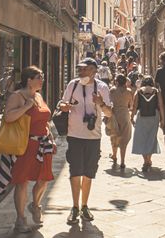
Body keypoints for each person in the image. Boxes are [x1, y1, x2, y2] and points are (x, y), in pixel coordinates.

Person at [59, 58, 112, 225]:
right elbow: (62, 102)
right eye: (80, 69)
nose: (80, 72)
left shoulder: (102, 88)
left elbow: (109, 113)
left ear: (93, 71)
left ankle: (84, 205)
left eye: (84, 70)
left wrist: (100, 103)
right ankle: (74, 207)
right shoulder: (73, 85)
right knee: (75, 171)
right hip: (74, 135)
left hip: (93, 137)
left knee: (89, 173)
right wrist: (63, 106)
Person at [6, 66, 55, 233]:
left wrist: (51, 137)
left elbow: (44, 120)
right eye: (39, 77)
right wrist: (26, 106)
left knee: (45, 179)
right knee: (22, 182)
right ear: (29, 80)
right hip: (26, 145)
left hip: (43, 144)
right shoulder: (17, 96)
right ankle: (20, 220)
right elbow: (8, 117)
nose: (42, 80)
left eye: (42, 77)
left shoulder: (39, 96)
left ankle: (35, 205)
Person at [131, 76, 165, 172]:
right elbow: (161, 105)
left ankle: (146, 160)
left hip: (141, 117)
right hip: (154, 117)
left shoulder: (138, 91)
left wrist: (131, 117)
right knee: (151, 138)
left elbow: (134, 106)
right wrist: (163, 119)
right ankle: (149, 159)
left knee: (142, 138)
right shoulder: (156, 91)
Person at [109, 74, 133, 168]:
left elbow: (109, 102)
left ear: (117, 81)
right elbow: (131, 105)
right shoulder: (129, 92)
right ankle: (122, 161)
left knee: (114, 136)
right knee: (124, 138)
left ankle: (114, 155)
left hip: (114, 115)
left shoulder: (112, 90)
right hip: (125, 115)